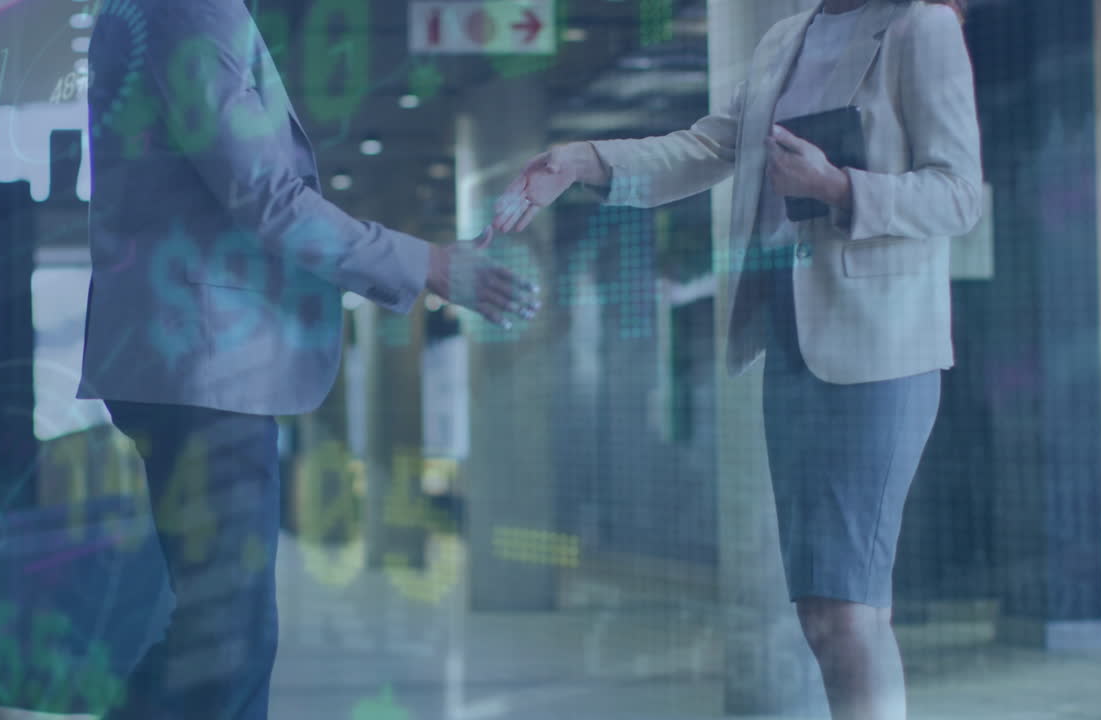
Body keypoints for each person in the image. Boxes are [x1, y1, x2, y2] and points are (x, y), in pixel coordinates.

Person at [492, 1, 978, 719]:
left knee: (852, 611)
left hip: (882, 347)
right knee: (821, 613)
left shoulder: (920, 27)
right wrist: (582, 160)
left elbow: (959, 194)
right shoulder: (786, 37)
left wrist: (838, 187)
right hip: (788, 335)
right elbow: (704, 148)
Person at [75, 0, 539, 718]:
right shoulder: (185, 6)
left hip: (197, 356)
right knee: (227, 639)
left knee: (226, 635)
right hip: (205, 359)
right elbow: (266, 195)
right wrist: (431, 265)